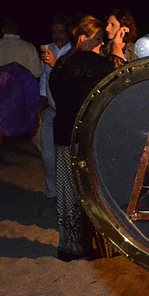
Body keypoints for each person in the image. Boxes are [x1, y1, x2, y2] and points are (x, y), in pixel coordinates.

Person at [49, 15, 123, 261]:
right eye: (98, 40)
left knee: (69, 192)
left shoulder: (60, 64)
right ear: (83, 38)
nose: (101, 44)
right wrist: (117, 50)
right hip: (90, 136)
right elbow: (119, 80)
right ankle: (103, 247)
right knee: (94, 192)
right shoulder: (95, 63)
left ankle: (71, 246)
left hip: (64, 134)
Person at [37, 13, 72, 199]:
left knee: (66, 159)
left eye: (60, 32)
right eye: (54, 32)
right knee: (48, 157)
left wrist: (56, 63)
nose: (57, 36)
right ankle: (53, 195)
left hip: (67, 113)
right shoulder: (48, 48)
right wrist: (40, 104)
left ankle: (68, 196)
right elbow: (44, 78)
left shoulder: (74, 51)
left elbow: (71, 79)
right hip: (51, 110)